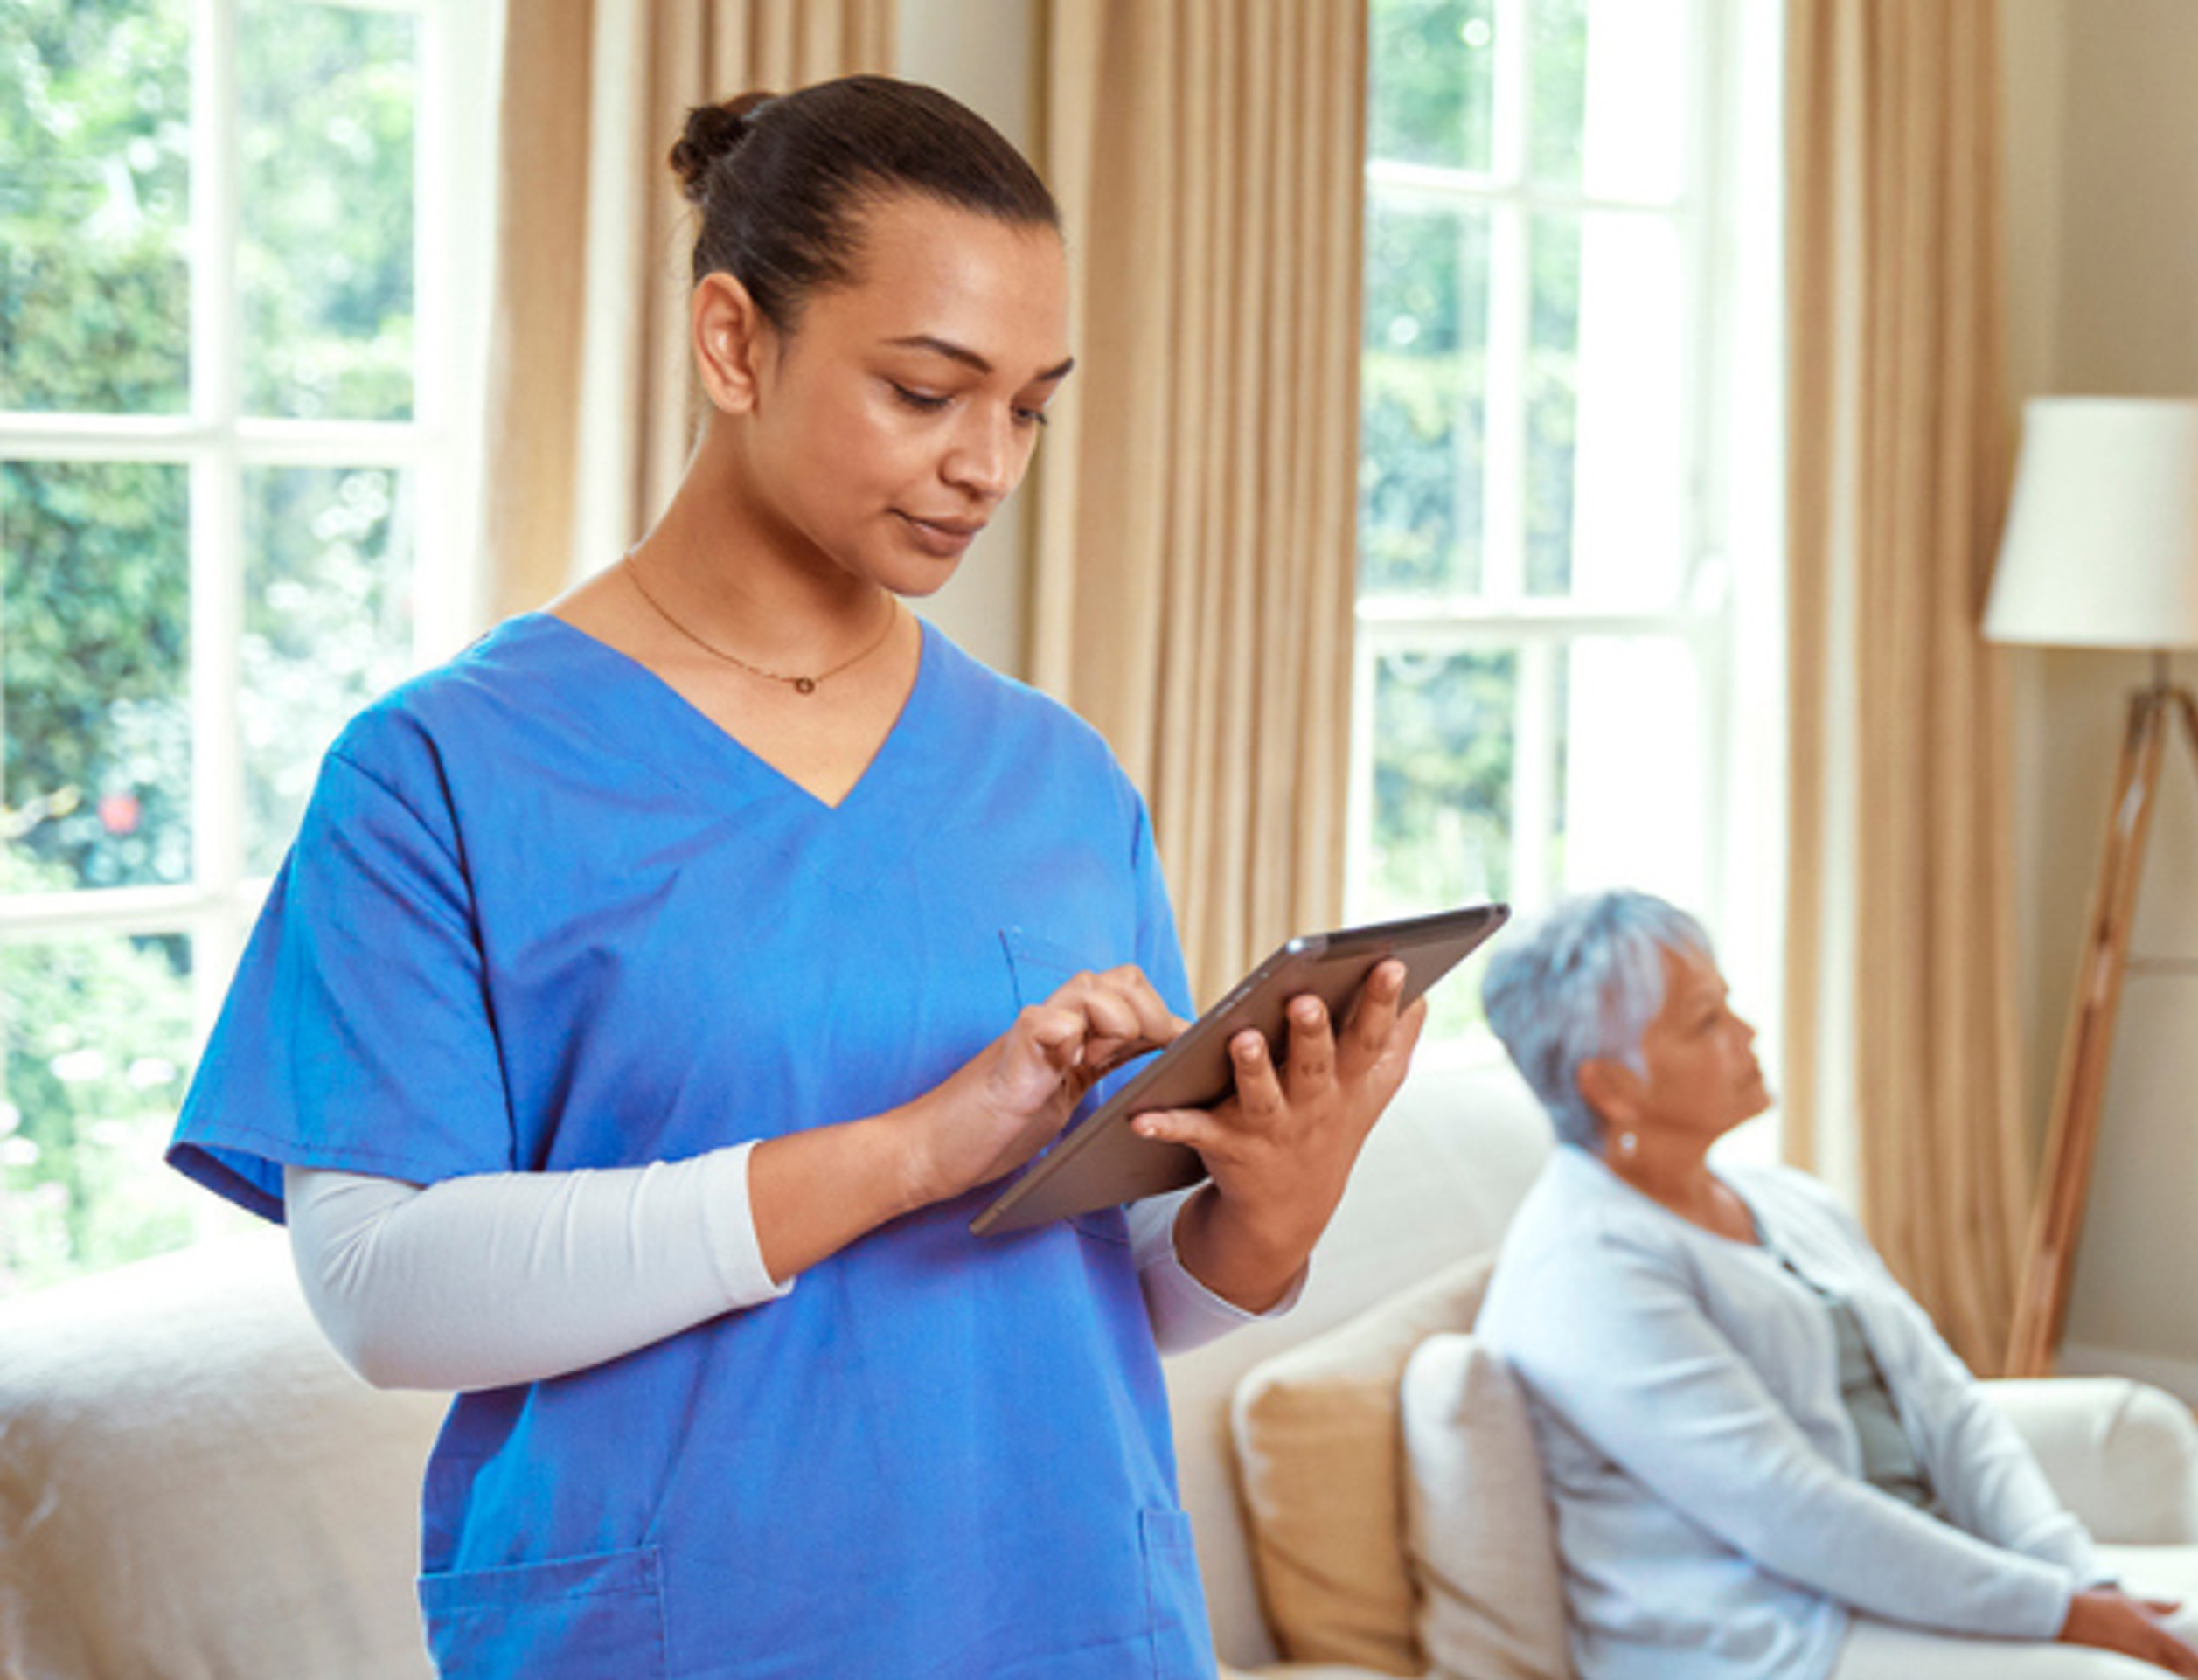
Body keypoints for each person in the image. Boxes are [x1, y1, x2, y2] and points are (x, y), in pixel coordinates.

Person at [163, 75, 1422, 1677]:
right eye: (925, 390)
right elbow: (381, 1291)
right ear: (733, 340)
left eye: (1031, 406)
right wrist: (905, 1152)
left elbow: (1091, 1296)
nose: (989, 463)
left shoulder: (1055, 776)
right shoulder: (443, 774)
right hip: (691, 1631)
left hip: (1073, 1617)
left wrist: (1268, 1217)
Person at [1472, 892, 2198, 1680]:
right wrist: (2064, 1613)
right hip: (1778, 1636)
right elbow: (1795, 1511)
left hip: (1920, 1580)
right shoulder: (1588, 1270)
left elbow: (1946, 1399)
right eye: (1705, 1020)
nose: (1747, 1032)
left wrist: (2078, 1575)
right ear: (1611, 1086)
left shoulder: (1784, 1200)